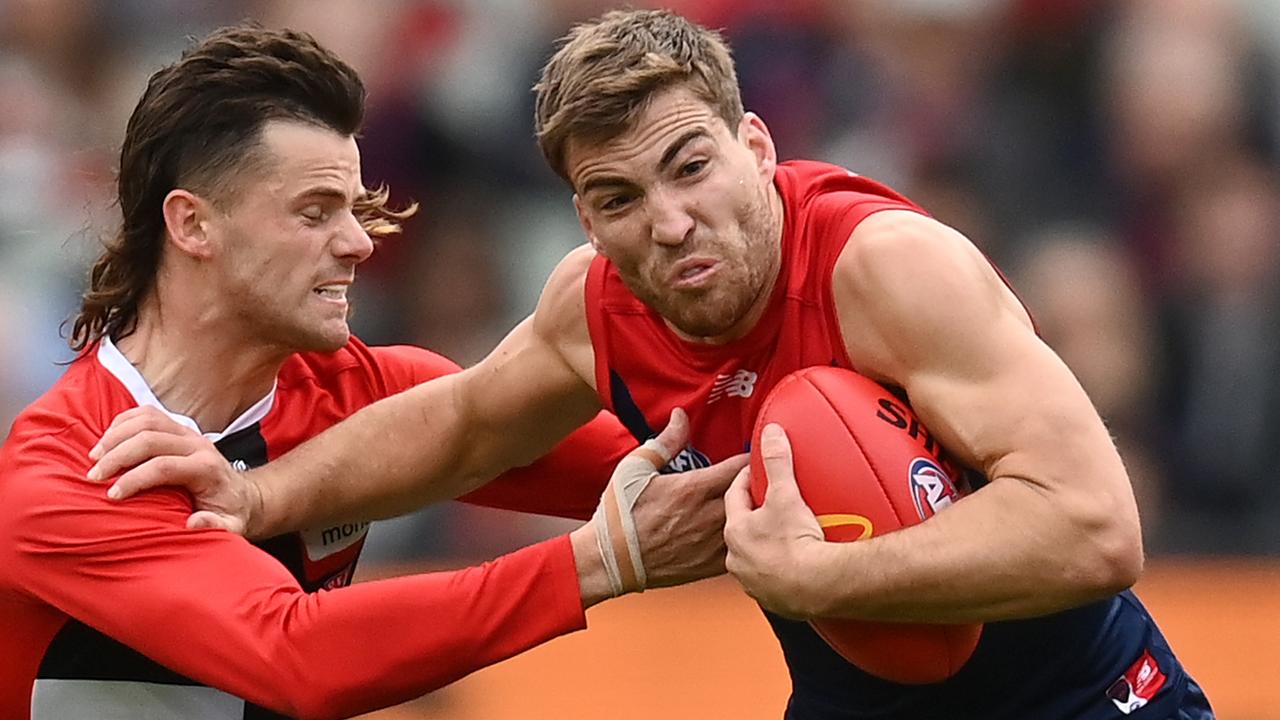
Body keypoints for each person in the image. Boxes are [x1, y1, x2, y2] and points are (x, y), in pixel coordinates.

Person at [92, 10, 1215, 720]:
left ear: (757, 148)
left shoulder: (886, 270)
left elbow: (1095, 529)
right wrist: (253, 492)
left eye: (690, 167)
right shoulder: (599, 302)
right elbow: (462, 426)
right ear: (583, 214)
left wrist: (817, 581)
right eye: (617, 199)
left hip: (1087, 699)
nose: (667, 224)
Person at [0, 24, 747, 720]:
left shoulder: (378, 394)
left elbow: (692, 478)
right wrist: (592, 565)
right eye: (316, 211)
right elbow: (295, 652)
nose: (359, 242)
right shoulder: (68, 470)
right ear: (193, 224)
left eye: (355, 208)